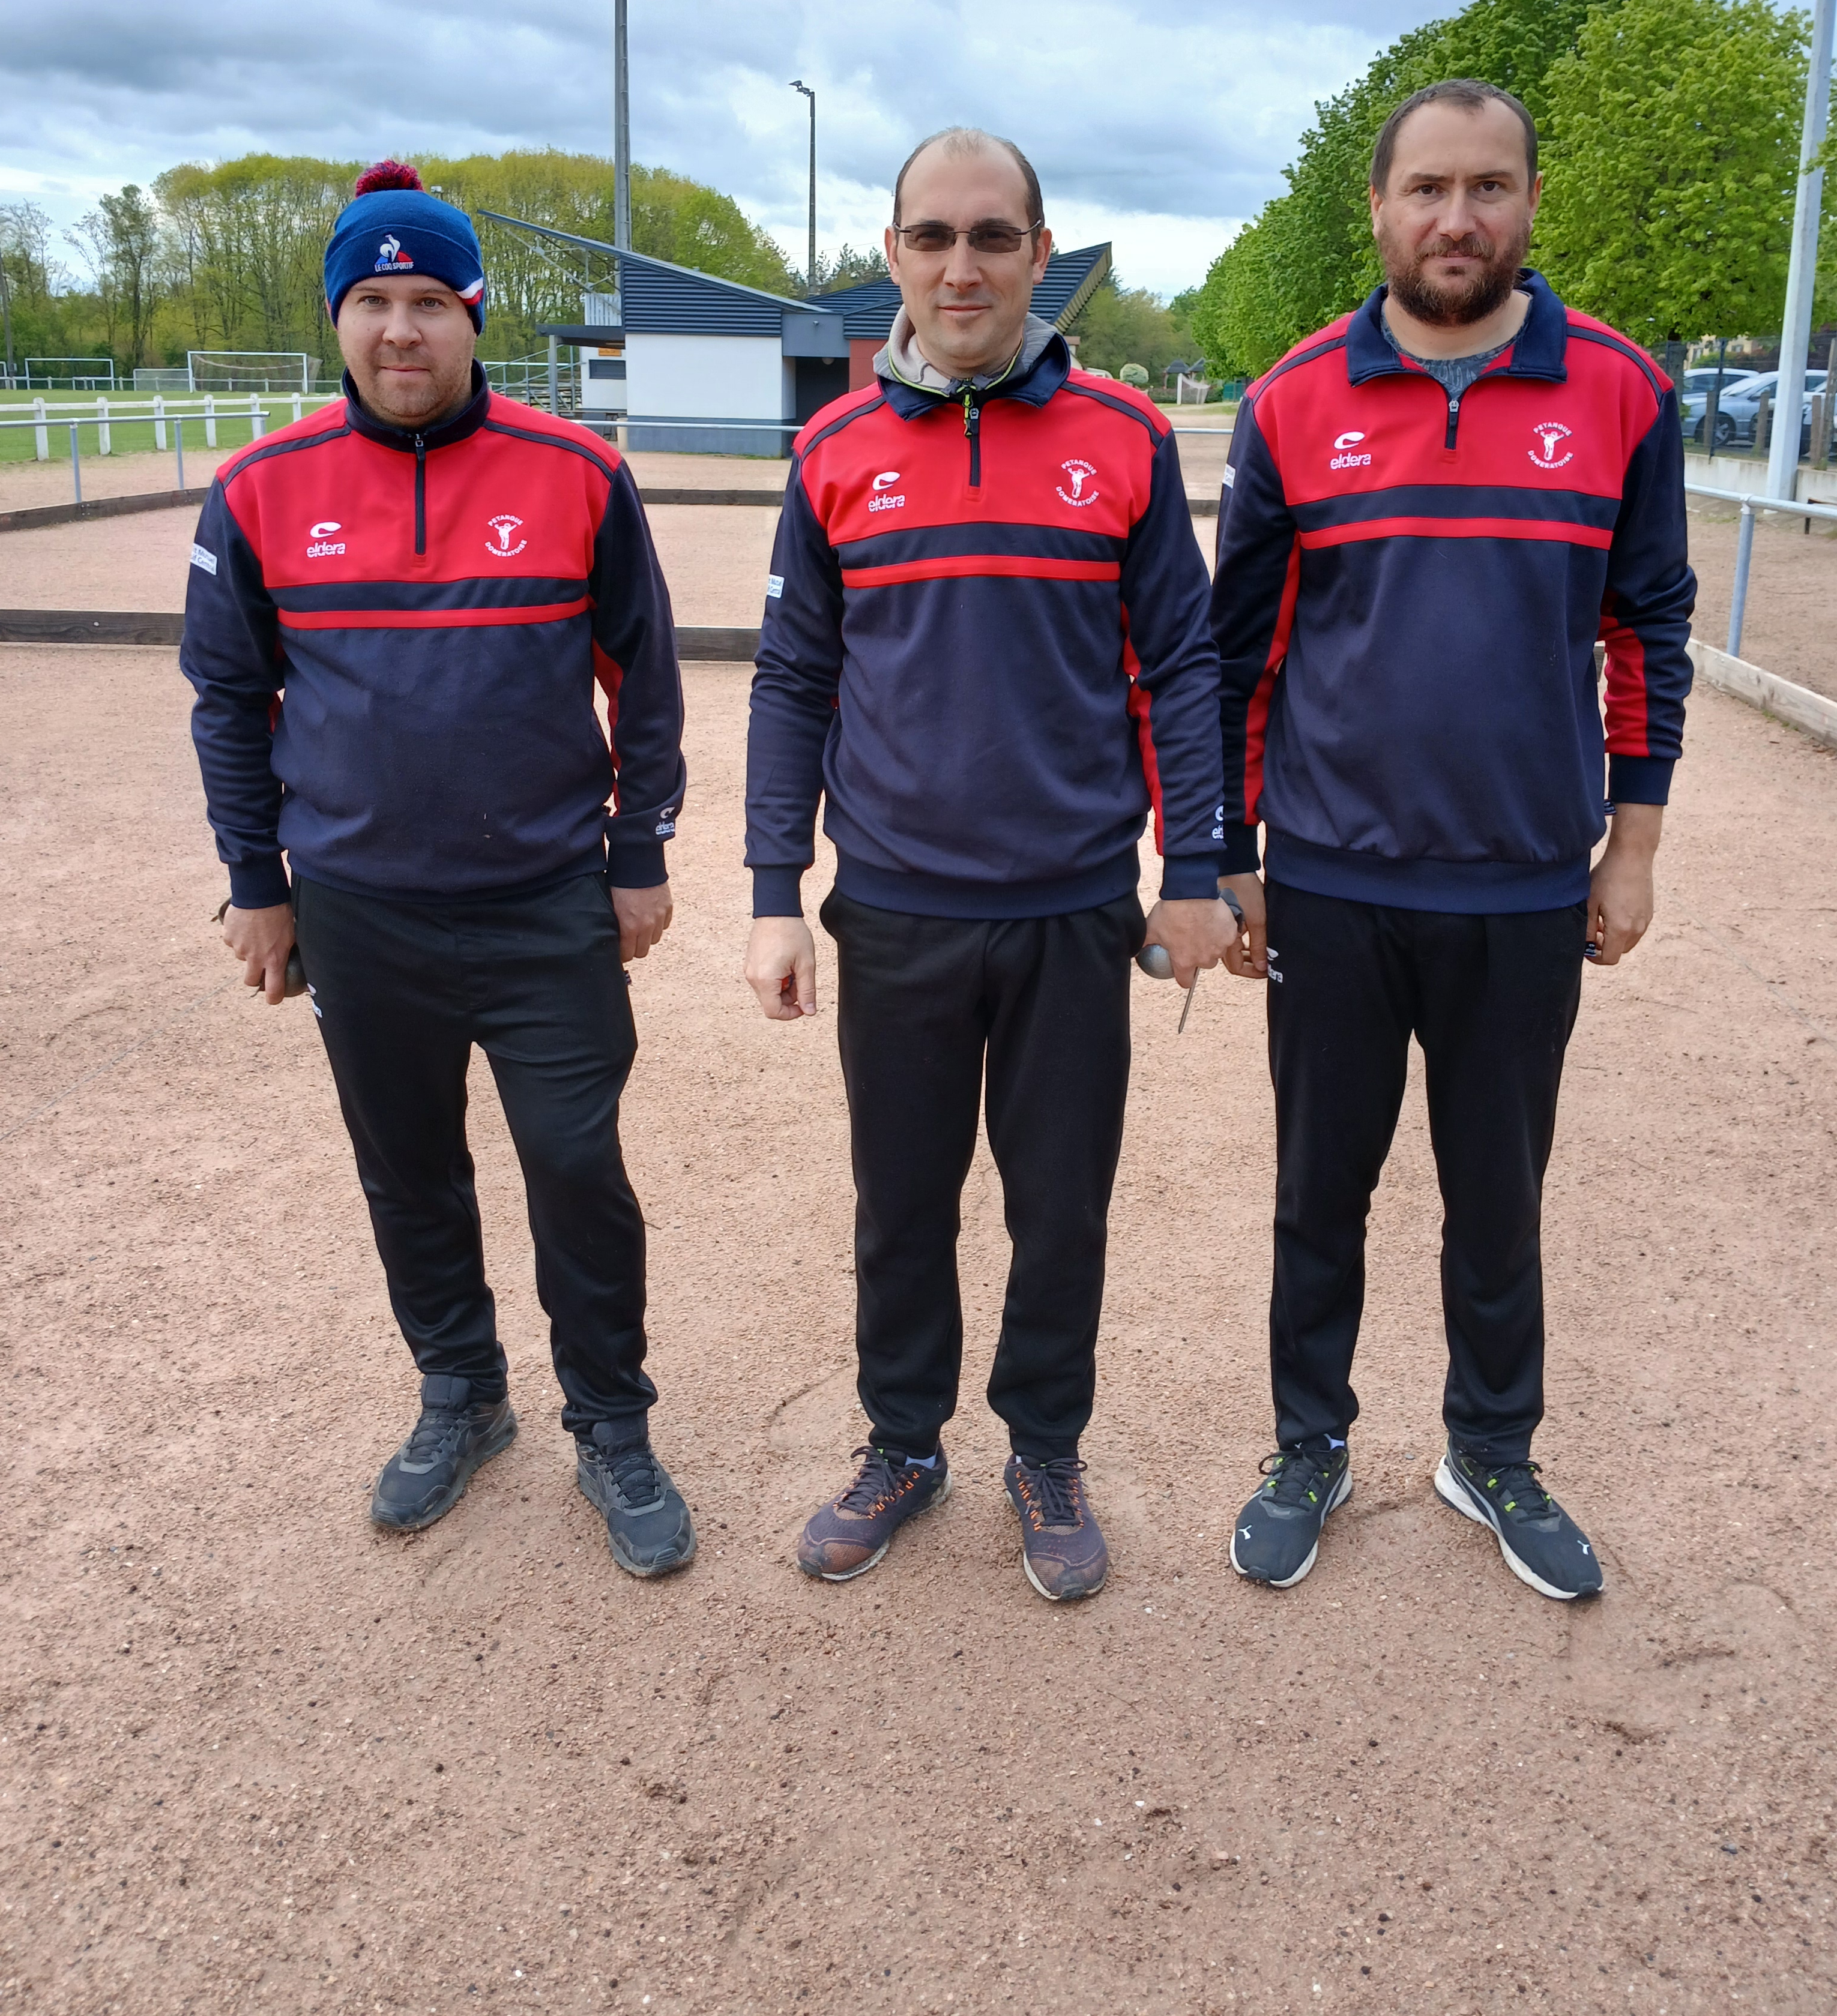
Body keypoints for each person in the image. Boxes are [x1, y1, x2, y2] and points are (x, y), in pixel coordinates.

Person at [1211, 79, 1695, 1602]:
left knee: (1499, 1190)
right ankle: (1309, 1443)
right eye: (1428, 188)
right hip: (1337, 884)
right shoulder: (1293, 400)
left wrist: (1634, 847)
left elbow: (1648, 628)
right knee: (1320, 1191)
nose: (1457, 218)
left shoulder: (1622, 391)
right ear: (1379, 207)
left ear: (1530, 203)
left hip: (1527, 881)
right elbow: (1238, 655)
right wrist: (1232, 857)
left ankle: (1491, 1450)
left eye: (1489, 188)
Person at [180, 161, 697, 1579]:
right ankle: (462, 1395)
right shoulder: (262, 490)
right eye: (372, 302)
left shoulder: (576, 472)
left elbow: (643, 679)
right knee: (408, 1170)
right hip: (359, 908)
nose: (400, 330)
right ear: (339, 318)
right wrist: (256, 880)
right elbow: (227, 700)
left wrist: (638, 848)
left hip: (544, 900)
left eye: (428, 302)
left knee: (576, 1164)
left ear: (474, 313)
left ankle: (611, 1422)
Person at [743, 126, 1238, 1602]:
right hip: (893, 904)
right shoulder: (832, 451)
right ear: (891, 255)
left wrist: (1195, 866)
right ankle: (902, 1442)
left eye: (994, 237)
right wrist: (775, 894)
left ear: (1043, 253)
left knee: (1059, 1204)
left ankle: (1045, 1449)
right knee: (900, 1200)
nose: (963, 266)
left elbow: (1184, 665)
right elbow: (791, 681)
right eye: (933, 237)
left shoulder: (1126, 441)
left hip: (1072, 908)